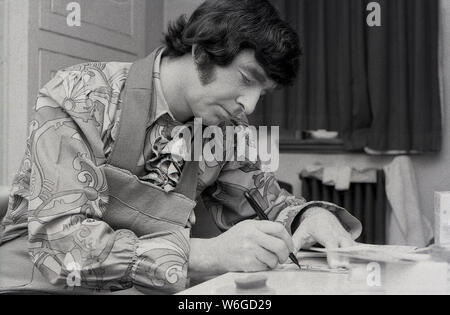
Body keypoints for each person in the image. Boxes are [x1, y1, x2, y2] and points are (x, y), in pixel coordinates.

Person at [0, 0, 361, 295]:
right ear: (202, 53)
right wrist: (203, 255)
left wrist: (310, 217)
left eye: (262, 93)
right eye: (247, 80)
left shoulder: (228, 129)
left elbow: (268, 203)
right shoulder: (81, 93)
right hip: (35, 283)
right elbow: (62, 248)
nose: (249, 106)